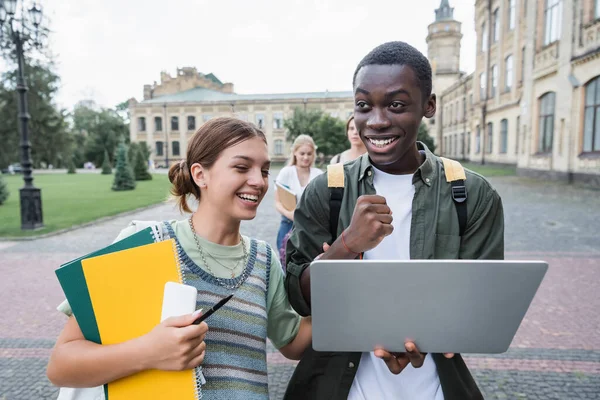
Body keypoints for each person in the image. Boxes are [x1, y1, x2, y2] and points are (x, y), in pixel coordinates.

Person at [284, 41, 504, 400]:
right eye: (363, 105)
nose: (377, 120)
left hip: (432, 386)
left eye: (396, 105)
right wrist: (348, 244)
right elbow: (299, 298)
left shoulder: (472, 195)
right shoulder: (328, 189)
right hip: (341, 385)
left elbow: (478, 308)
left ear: (429, 105)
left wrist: (420, 338)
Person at [47, 117, 312, 400]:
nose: (258, 181)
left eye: (265, 170)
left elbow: (293, 343)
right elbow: (61, 364)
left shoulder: (264, 259)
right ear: (200, 174)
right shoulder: (144, 243)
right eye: (241, 167)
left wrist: (341, 277)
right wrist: (149, 352)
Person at [274, 134, 322, 264]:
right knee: (286, 264)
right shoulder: (286, 172)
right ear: (295, 152)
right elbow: (277, 202)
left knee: (309, 265)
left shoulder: (319, 174)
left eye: (309, 154)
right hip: (288, 224)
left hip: (311, 227)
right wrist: (291, 215)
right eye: (302, 153)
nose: (306, 157)